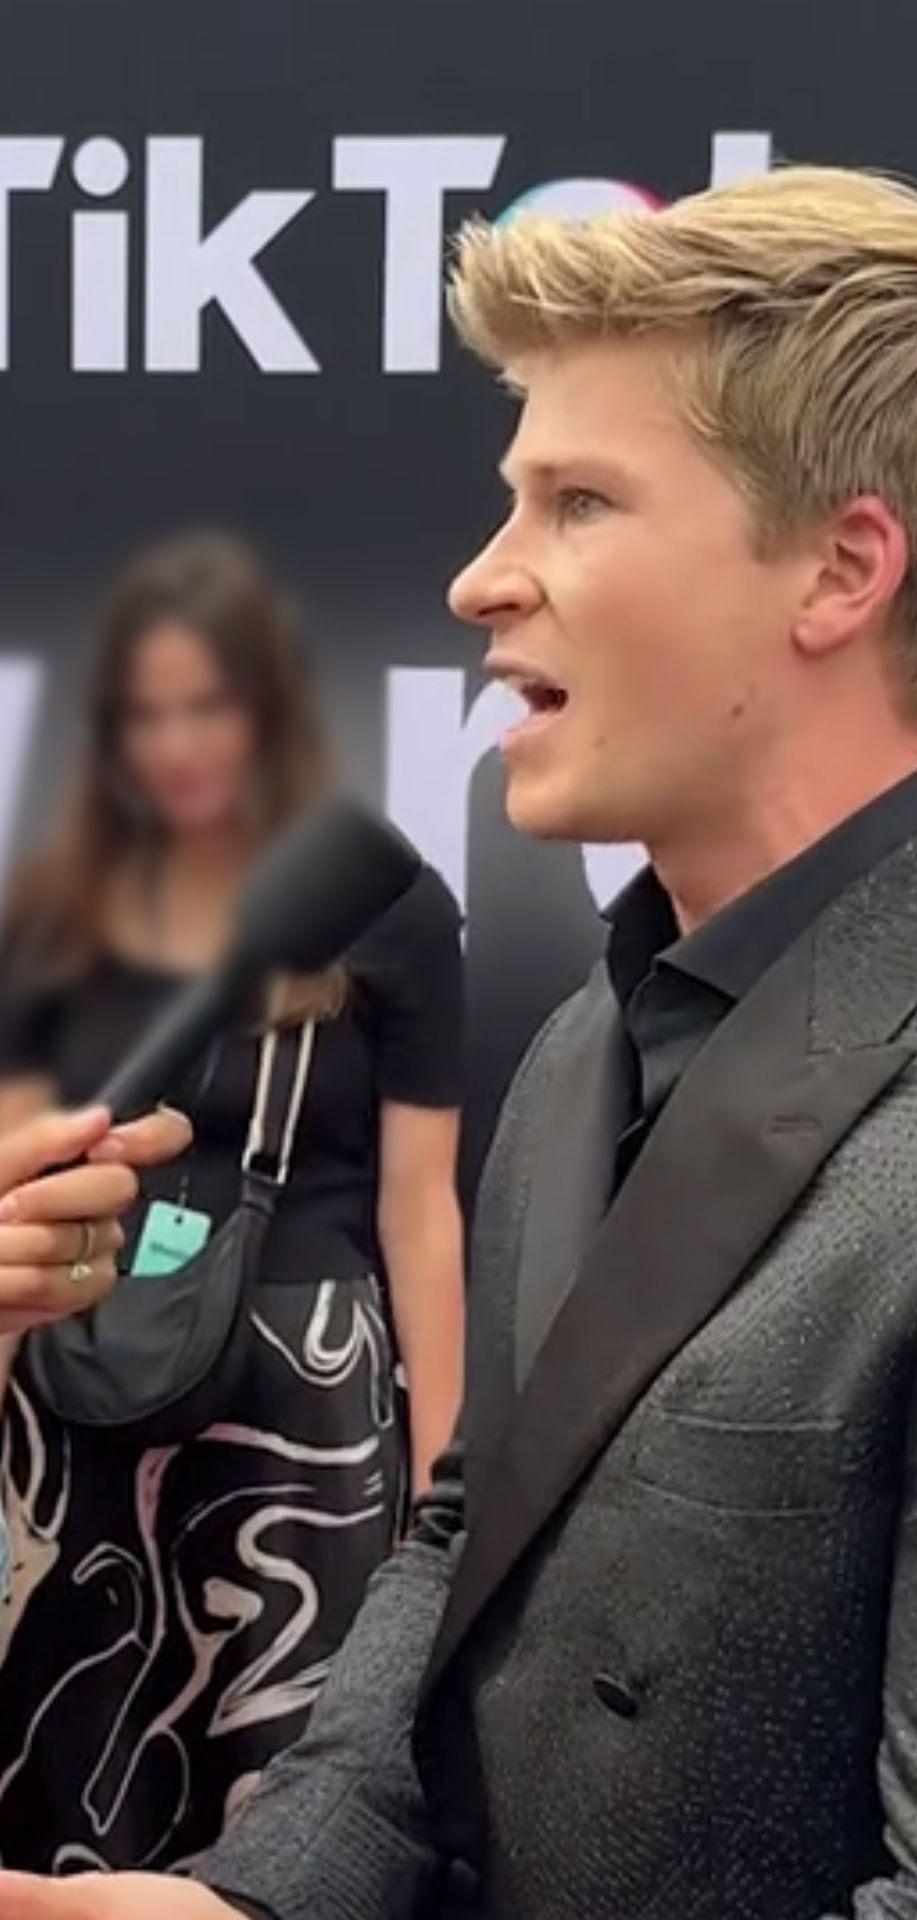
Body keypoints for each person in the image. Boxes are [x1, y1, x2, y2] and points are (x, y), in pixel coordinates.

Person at [2, 161, 917, 1920]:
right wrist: (259, 1899)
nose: (478, 582)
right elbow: (465, 1540)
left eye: (577, 502)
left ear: (841, 569)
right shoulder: (594, 1038)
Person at [0, 532, 465, 1873]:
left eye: (207, 704)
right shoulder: (56, 916)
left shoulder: (390, 913)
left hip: (299, 1410)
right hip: (79, 1389)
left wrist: (451, 1509)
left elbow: (423, 1213)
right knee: (75, 1749)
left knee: (292, 1797)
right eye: (145, 713)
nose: (178, 743)